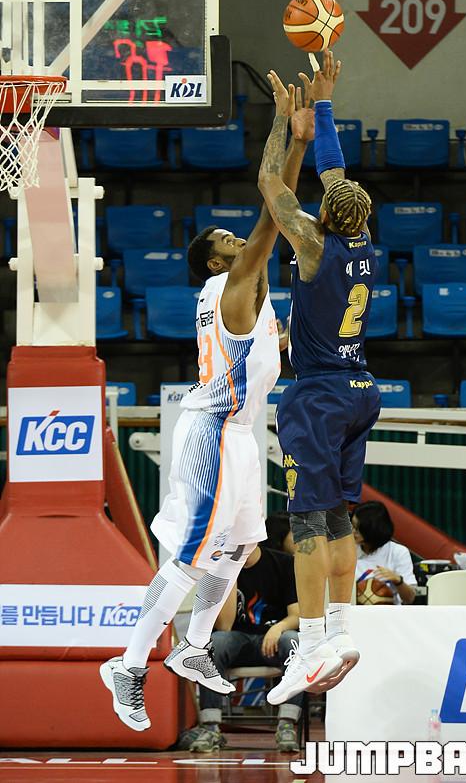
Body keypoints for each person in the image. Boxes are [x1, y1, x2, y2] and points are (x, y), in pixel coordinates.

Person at [100, 85, 314, 732]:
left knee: (240, 546)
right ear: (219, 260)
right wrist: (287, 130)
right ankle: (128, 664)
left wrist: (299, 142)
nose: (239, 237)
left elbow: (279, 209)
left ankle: (193, 645)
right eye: (228, 238)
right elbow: (274, 205)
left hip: (241, 432)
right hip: (214, 431)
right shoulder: (231, 284)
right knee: (193, 555)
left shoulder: (246, 294)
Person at [258, 49, 381, 705]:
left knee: (305, 518)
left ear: (325, 214)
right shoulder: (362, 239)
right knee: (337, 518)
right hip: (361, 390)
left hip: (321, 393)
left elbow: (268, 182)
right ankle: (341, 631)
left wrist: (286, 120)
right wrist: (325, 106)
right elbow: (337, 173)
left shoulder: (311, 243)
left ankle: (308, 644)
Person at [188, 543, 302, 753]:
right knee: (215, 643)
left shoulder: (284, 563)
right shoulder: (219, 569)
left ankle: (287, 725)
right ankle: (211, 728)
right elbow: (224, 626)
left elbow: (296, 615)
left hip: (274, 641)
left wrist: (278, 628)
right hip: (238, 641)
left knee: (293, 640)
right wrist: (229, 572)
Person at [352, 501, 416, 605]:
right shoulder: (347, 551)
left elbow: (410, 598)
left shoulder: (398, 552)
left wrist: (398, 580)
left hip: (391, 613)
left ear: (372, 529)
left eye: (358, 529)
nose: (352, 531)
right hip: (355, 612)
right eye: (352, 526)